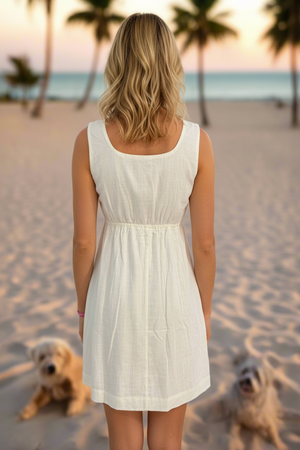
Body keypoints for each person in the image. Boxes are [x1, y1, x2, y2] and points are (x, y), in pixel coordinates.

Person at [72, 12, 215, 450]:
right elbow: (206, 245)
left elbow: (82, 243)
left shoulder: (90, 140)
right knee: (168, 443)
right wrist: (203, 315)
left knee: (124, 442)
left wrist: (83, 311)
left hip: (113, 297)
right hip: (176, 297)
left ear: (119, 62)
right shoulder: (197, 142)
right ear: (170, 63)